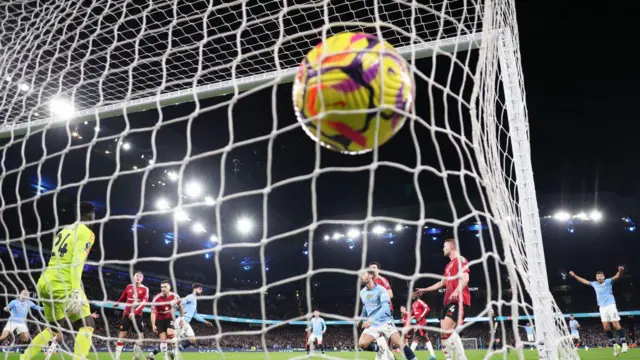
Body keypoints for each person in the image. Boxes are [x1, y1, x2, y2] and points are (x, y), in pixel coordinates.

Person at [19, 201, 97, 360]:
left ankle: (24, 358)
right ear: (91, 215)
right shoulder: (87, 232)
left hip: (45, 282)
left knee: (54, 329)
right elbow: (77, 262)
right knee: (87, 324)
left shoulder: (64, 230)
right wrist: (76, 290)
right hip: (64, 283)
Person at [415, 238, 470, 360]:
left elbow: (465, 278)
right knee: (443, 333)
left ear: (451, 247)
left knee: (446, 329)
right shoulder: (448, 265)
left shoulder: (460, 260)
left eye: (445, 246)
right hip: (447, 302)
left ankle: (462, 358)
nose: (443, 249)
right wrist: (426, 289)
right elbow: (441, 283)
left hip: (458, 300)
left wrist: (456, 291)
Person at [358, 268, 418, 360]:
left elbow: (385, 307)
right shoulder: (362, 292)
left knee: (399, 344)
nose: (360, 277)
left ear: (370, 276)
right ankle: (379, 349)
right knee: (362, 344)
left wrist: (371, 320)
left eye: (363, 274)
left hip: (385, 321)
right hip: (373, 324)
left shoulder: (381, 290)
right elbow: (366, 307)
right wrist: (361, 319)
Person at [569, 266, 628, 355]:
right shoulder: (594, 284)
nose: (599, 277)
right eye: (598, 276)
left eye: (601, 275)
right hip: (602, 307)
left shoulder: (608, 281)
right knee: (606, 328)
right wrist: (574, 275)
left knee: (615, 324)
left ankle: (624, 344)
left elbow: (618, 276)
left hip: (610, 305)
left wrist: (620, 271)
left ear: (603, 277)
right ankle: (615, 346)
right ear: (596, 278)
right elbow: (583, 281)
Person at [114, 271, 149, 360]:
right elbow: (123, 296)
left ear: (142, 279)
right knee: (122, 335)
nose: (138, 277)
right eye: (136, 276)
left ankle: (135, 355)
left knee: (140, 336)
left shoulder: (145, 289)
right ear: (133, 277)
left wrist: (135, 312)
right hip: (126, 314)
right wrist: (118, 302)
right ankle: (117, 357)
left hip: (137, 316)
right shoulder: (128, 287)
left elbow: (144, 303)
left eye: (140, 276)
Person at [171, 283, 212, 358]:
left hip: (186, 322)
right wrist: (175, 307)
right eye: (200, 289)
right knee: (172, 341)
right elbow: (181, 302)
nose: (201, 291)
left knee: (192, 340)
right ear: (194, 289)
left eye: (201, 289)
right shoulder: (191, 297)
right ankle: (172, 353)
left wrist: (205, 321)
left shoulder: (194, 300)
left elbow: (195, 315)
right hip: (182, 321)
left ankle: (174, 351)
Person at [147, 280, 184, 360]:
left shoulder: (175, 296)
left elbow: (181, 307)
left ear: (169, 287)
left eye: (165, 287)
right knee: (163, 340)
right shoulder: (156, 298)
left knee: (170, 334)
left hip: (169, 318)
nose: (163, 288)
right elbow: (153, 313)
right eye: (161, 287)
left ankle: (174, 352)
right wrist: (153, 325)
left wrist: (182, 319)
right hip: (160, 320)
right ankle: (165, 358)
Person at [368, 262, 394, 356]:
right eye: (370, 268)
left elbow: (390, 294)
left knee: (382, 335)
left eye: (374, 267)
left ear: (378, 270)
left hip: (385, 310)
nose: (372, 269)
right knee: (379, 336)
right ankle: (391, 357)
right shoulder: (370, 283)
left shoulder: (382, 279)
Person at [410, 295, 436, 359]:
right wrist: (408, 315)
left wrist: (420, 317)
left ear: (417, 295)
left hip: (421, 323)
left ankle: (410, 356)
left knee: (416, 338)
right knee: (426, 338)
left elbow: (427, 308)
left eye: (414, 294)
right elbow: (412, 313)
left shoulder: (420, 302)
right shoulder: (413, 304)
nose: (412, 295)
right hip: (418, 323)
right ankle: (432, 355)